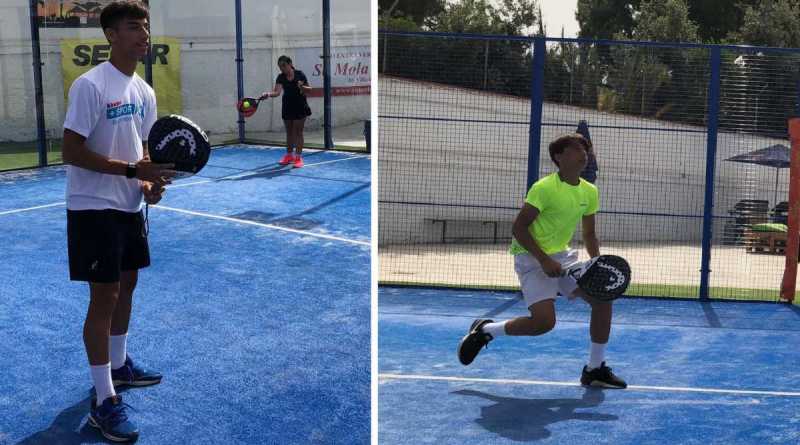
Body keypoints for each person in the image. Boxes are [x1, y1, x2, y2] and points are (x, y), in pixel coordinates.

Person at [61, 1, 174, 441]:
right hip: (92, 206)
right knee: (104, 296)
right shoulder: (90, 85)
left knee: (127, 285)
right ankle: (104, 399)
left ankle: (121, 365)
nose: (143, 34)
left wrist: (147, 184)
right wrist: (132, 172)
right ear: (111, 35)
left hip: (128, 206)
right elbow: (71, 151)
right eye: (132, 27)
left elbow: (142, 152)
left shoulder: (144, 91)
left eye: (145, 26)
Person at [457, 134, 627, 389]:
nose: (584, 154)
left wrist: (597, 265)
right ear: (559, 157)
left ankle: (594, 369)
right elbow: (519, 228)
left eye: (586, 150)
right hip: (531, 258)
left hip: (563, 257)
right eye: (577, 149)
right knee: (544, 324)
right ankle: (487, 331)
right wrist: (544, 260)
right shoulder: (544, 188)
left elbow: (589, 234)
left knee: (603, 300)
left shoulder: (589, 191)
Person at [260, 55, 313, 168]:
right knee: (289, 132)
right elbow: (277, 92)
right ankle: (289, 156)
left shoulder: (300, 74)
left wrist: (302, 87)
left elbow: (309, 90)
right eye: (280, 66)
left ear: (290, 64)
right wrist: (268, 94)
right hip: (287, 107)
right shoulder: (281, 77)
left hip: (300, 106)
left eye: (284, 65)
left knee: (298, 132)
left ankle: (298, 158)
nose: (282, 68)